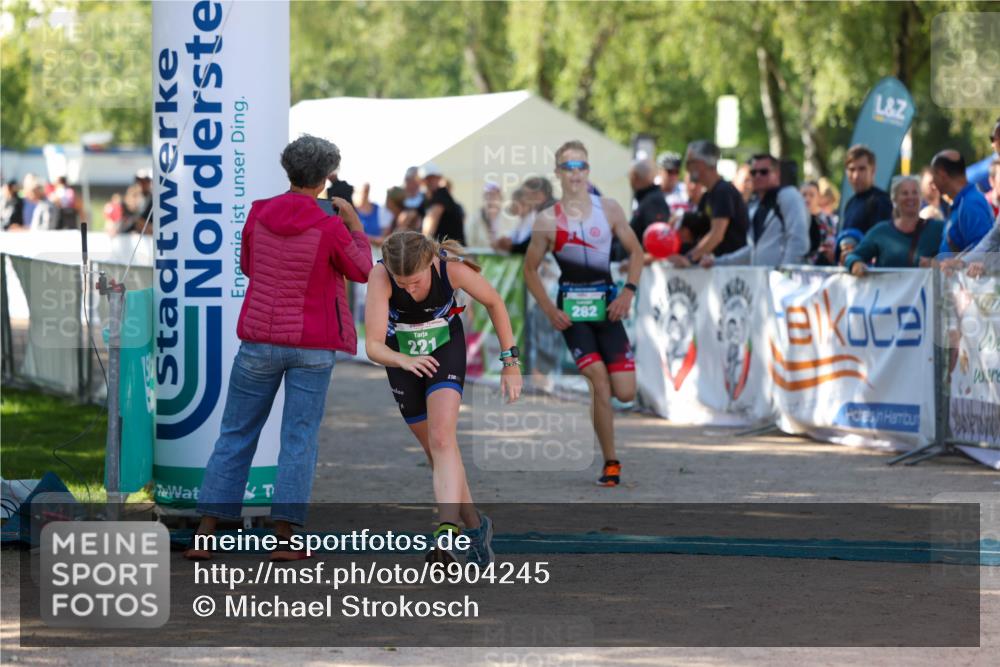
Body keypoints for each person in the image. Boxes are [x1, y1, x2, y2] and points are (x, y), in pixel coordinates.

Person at [185, 135, 373, 562]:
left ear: (288, 170)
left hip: (258, 339)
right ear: (326, 179)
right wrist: (355, 226)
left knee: (235, 433)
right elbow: (362, 270)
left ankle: (205, 534)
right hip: (313, 344)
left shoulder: (258, 212)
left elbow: (249, 266)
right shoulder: (329, 224)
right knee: (298, 440)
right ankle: (286, 538)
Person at [364, 231, 522, 564]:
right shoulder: (380, 275)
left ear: (430, 262)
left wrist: (510, 362)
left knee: (442, 438)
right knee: (437, 452)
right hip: (401, 358)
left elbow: (495, 302)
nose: (409, 289)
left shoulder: (452, 269)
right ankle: (477, 527)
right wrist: (404, 360)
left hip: (444, 351)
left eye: (416, 281)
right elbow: (374, 345)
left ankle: (446, 532)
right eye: (402, 284)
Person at [523, 140, 643, 487]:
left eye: (581, 167)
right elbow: (530, 270)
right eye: (568, 167)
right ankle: (611, 462)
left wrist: (628, 293)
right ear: (558, 173)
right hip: (572, 314)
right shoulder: (548, 220)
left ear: (588, 171)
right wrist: (549, 310)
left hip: (608, 309)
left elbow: (637, 253)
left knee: (625, 392)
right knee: (599, 381)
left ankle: (603, 413)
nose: (575, 174)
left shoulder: (609, 209)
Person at [701, 153, 809, 267]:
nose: (758, 176)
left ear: (777, 174)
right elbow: (754, 251)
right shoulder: (755, 207)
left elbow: (798, 240)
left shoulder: (788, 195)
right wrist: (718, 262)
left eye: (764, 172)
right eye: (753, 172)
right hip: (761, 280)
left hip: (782, 281)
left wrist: (785, 274)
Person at [845, 175, 945, 276]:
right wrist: (855, 264)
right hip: (887, 291)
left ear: (921, 197)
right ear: (894, 199)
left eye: (915, 192)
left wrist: (937, 264)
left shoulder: (938, 229)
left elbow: (957, 260)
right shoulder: (881, 232)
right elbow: (853, 256)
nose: (910, 197)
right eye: (905, 193)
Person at [671, 140, 748, 267]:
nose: (687, 168)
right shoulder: (708, 195)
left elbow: (717, 234)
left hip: (728, 271)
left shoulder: (723, 191)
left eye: (690, 163)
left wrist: (690, 258)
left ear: (701, 164)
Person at [931, 149, 993, 254]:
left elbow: (983, 253)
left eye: (934, 175)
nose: (932, 181)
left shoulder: (970, 204)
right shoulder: (963, 202)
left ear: (942, 175)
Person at [617, 158, 671, 264]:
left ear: (635, 177)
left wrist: (636, 261)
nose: (629, 180)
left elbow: (659, 242)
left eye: (630, 176)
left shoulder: (653, 201)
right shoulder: (648, 200)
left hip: (645, 275)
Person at [841, 144, 893, 235]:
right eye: (851, 169)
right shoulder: (850, 203)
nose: (856, 175)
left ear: (873, 170)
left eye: (862, 169)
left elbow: (882, 242)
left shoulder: (881, 201)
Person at [420, 163, 466, 245]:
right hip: (445, 251)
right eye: (427, 178)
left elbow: (430, 225)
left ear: (439, 178)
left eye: (432, 178)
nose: (429, 182)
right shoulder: (425, 200)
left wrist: (421, 247)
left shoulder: (441, 195)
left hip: (452, 252)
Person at [801, 180, 837, 265]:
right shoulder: (795, 221)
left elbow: (830, 245)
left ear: (819, 197)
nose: (807, 199)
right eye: (804, 195)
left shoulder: (828, 220)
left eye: (811, 195)